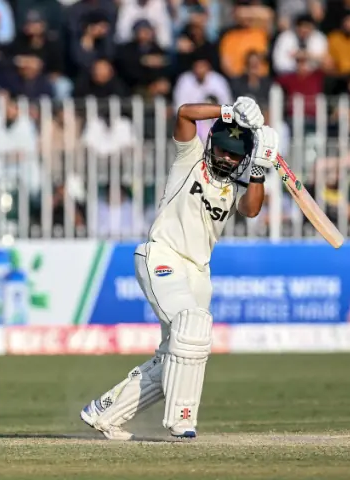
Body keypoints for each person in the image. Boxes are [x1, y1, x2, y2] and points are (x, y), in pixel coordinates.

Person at [79, 97, 280, 440]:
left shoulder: (238, 184)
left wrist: (259, 170)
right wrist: (227, 111)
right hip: (162, 255)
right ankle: (181, 418)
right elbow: (185, 113)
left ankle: (105, 412)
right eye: (222, 149)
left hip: (198, 272)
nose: (226, 157)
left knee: (181, 352)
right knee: (192, 324)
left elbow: (251, 211)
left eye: (235, 155)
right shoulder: (190, 159)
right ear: (211, 144)